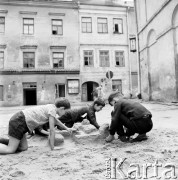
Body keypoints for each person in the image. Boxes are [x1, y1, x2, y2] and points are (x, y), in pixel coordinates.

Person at [0, 98, 73, 155]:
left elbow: (55, 120)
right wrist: (52, 147)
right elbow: (52, 130)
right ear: (62, 108)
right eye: (65, 112)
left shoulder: (52, 107)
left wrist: (67, 128)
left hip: (21, 122)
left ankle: (2, 140)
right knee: (10, 149)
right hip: (19, 121)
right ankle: (11, 144)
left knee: (23, 148)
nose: (64, 114)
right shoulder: (52, 110)